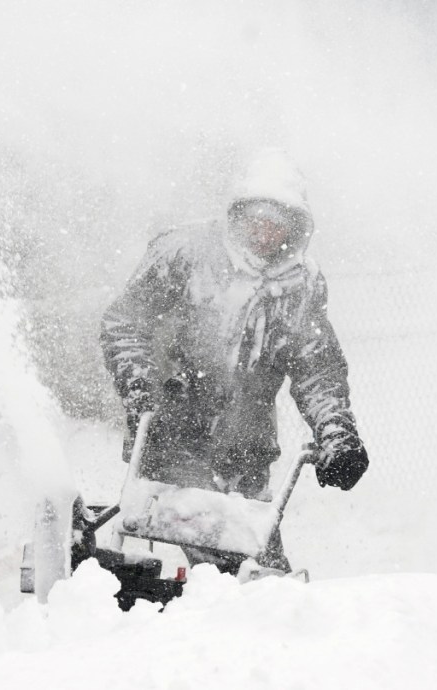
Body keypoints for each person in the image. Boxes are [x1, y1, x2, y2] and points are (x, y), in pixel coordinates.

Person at [100, 148, 368, 574]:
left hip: (246, 449)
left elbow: (317, 368)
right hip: (173, 430)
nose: (264, 232)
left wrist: (337, 433)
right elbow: (125, 321)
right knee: (231, 566)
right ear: (237, 214)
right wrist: (140, 383)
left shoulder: (301, 285)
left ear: (295, 228)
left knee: (258, 564)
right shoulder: (185, 253)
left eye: (277, 222)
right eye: (255, 218)